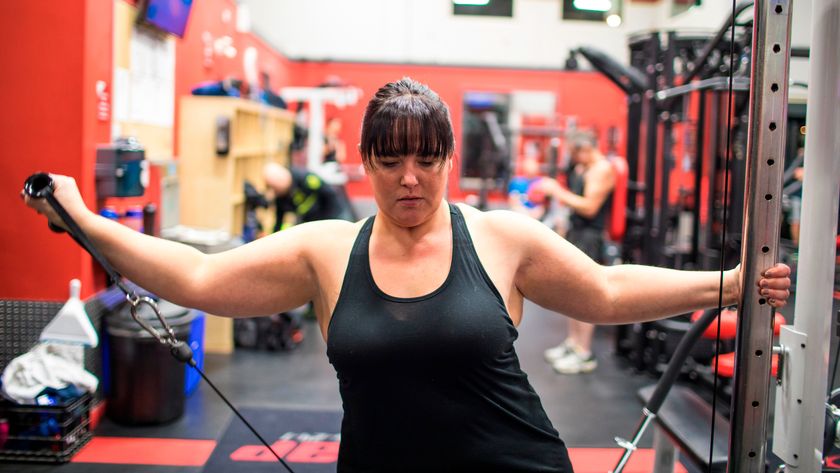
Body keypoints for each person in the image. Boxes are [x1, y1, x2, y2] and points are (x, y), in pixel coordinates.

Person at [23, 78, 790, 473]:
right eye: (390, 160)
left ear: (450, 159)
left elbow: (609, 289)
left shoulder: (500, 239)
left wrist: (728, 282)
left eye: (427, 159)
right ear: (366, 163)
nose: (411, 179)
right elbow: (193, 273)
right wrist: (86, 219)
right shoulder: (324, 251)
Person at [539, 137, 615, 374]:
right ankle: (573, 344)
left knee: (585, 294)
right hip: (577, 232)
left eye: (575, 153)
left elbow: (590, 207)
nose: (572, 159)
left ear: (586, 148)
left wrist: (557, 191)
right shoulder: (585, 167)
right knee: (571, 291)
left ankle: (584, 353)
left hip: (590, 237)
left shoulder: (602, 170)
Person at [263, 162, 344, 231]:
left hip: (334, 216)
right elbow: (278, 222)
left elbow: (330, 194)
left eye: (276, 188)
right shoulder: (280, 197)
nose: (276, 192)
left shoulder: (305, 178)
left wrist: (330, 224)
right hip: (313, 224)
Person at [508, 156, 547, 220]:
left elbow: (543, 204)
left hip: (537, 212)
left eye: (533, 165)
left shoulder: (542, 182)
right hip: (521, 211)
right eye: (529, 165)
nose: (532, 167)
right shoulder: (516, 182)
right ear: (524, 167)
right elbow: (512, 201)